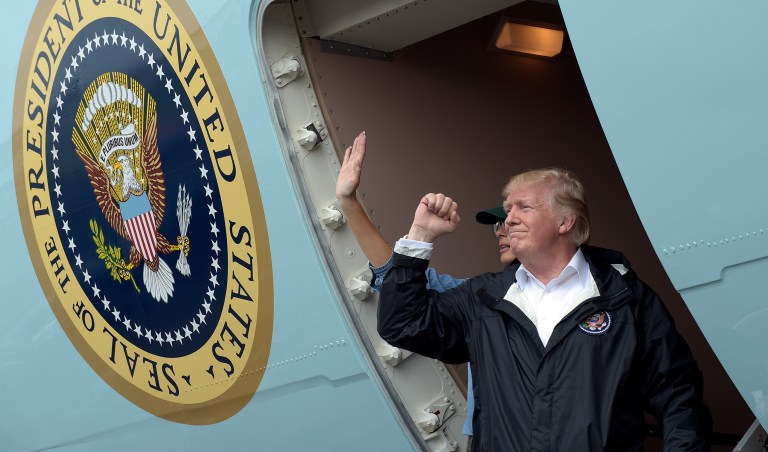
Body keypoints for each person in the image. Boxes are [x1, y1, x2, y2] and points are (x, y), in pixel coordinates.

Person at [377, 168, 712, 451]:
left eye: (523, 207)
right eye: (508, 210)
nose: (508, 220)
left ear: (565, 221)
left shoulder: (627, 299)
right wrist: (420, 235)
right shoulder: (482, 299)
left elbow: (679, 397)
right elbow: (403, 324)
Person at [335, 132, 515, 451]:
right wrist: (348, 203)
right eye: (496, 225)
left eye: (511, 221)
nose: (500, 231)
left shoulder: (602, 294)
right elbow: (397, 279)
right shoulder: (478, 300)